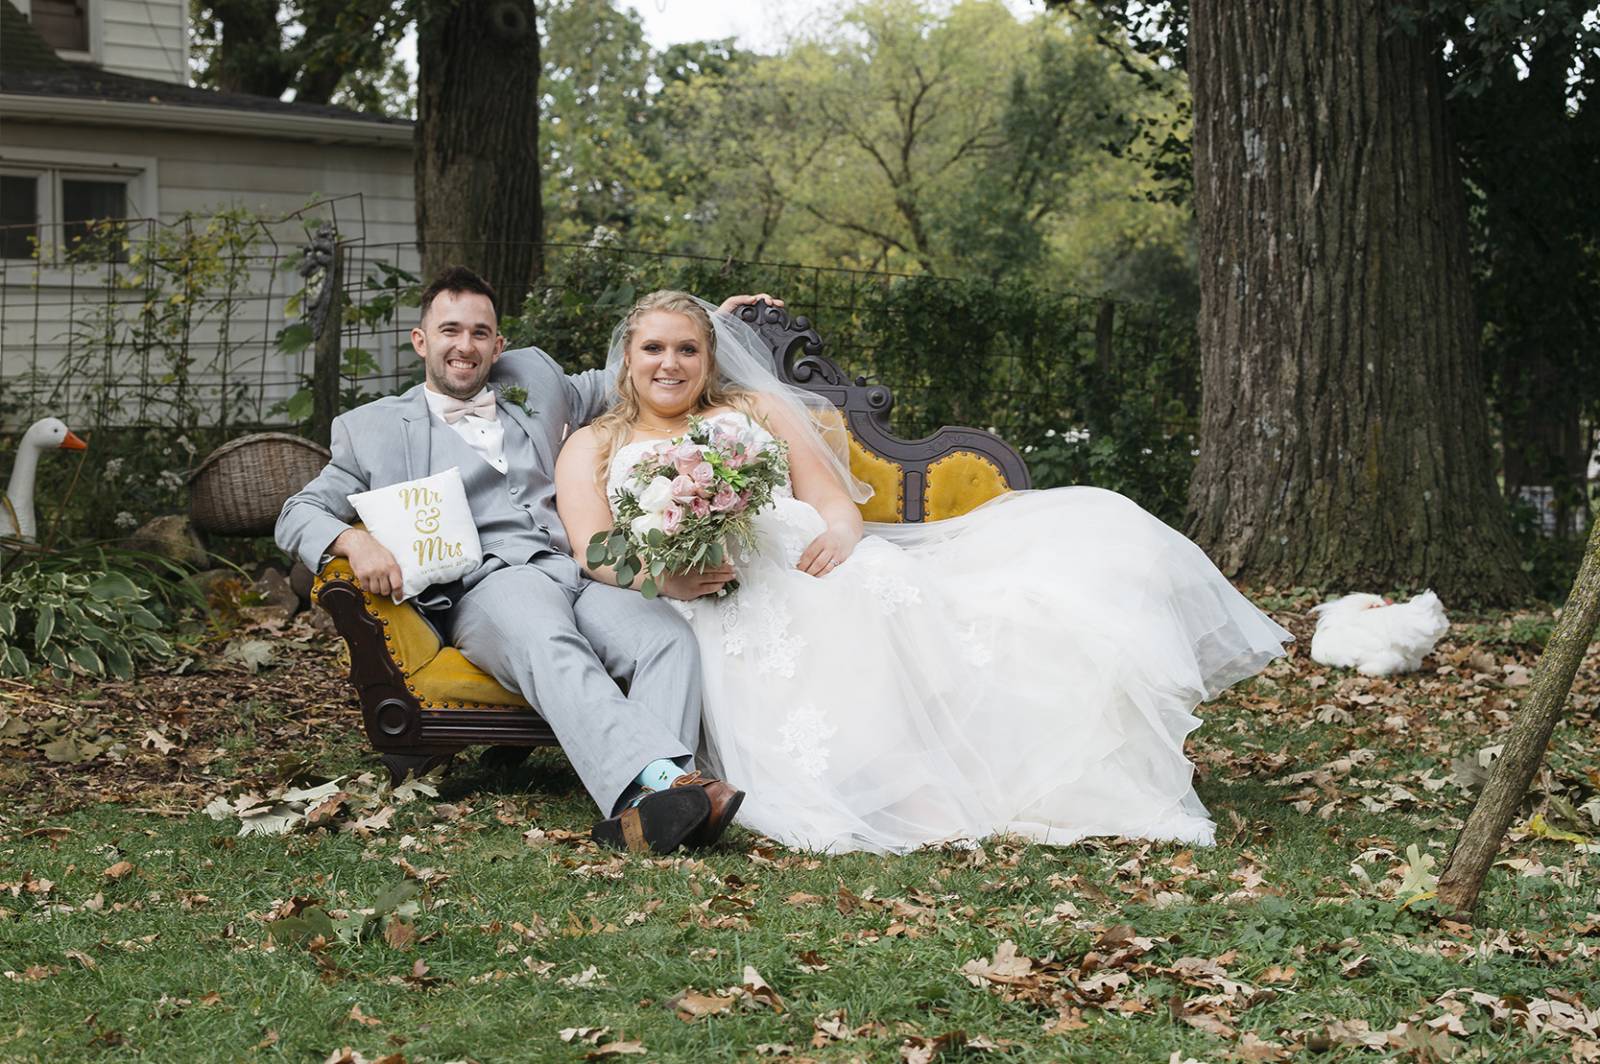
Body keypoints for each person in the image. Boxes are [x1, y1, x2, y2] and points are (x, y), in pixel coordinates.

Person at [554, 290, 1294, 854]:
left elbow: (833, 503)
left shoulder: (752, 408)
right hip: (710, 596)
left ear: (709, 358)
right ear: (628, 359)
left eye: (688, 349)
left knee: (876, 592)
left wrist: (843, 537)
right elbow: (594, 550)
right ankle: (887, 789)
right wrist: (669, 580)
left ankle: (933, 776)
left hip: (809, 559)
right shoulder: (594, 443)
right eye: (654, 348)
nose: (670, 364)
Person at [277, 266, 772, 855]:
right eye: (450, 331)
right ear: (421, 340)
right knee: (544, 637)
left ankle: (650, 817)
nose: (465, 346)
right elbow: (296, 511)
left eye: (481, 333)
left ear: (499, 344)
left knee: (666, 639)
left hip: (575, 571)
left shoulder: (534, 376)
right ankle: (668, 782)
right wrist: (354, 542)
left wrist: (710, 323)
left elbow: (641, 370)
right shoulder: (372, 429)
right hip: (489, 588)